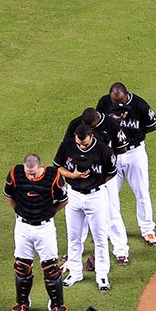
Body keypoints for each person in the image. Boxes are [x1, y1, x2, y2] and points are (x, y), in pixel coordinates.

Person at [61, 107, 132, 265]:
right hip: (80, 181)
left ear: (96, 121)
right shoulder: (75, 125)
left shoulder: (110, 124)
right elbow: (67, 148)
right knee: (80, 217)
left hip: (105, 177)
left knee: (112, 211)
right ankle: (74, 251)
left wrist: (102, 172)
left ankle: (121, 251)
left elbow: (122, 148)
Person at [3, 154, 69, 311]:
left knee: (51, 268)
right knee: (22, 267)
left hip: (44, 227)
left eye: (33, 173)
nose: (30, 176)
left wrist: (51, 212)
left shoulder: (53, 177)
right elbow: (9, 195)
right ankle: (22, 303)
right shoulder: (15, 173)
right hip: (23, 226)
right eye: (28, 173)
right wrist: (18, 211)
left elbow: (63, 200)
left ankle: (57, 306)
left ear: (39, 167)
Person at [54, 124, 118, 291]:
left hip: (95, 196)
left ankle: (102, 275)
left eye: (85, 144)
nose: (82, 146)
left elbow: (111, 172)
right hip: (73, 195)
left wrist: (95, 183)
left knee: (100, 237)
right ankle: (75, 272)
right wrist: (72, 175)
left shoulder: (103, 150)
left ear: (91, 136)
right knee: (73, 236)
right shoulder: (67, 145)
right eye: (79, 143)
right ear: (75, 136)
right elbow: (57, 167)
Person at [97, 82, 156, 245]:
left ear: (127, 94)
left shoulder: (140, 105)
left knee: (142, 191)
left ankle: (147, 229)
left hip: (134, 153)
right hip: (113, 154)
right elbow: (97, 125)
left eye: (119, 100)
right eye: (113, 100)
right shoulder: (104, 103)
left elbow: (153, 125)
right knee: (109, 194)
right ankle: (110, 229)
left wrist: (136, 135)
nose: (116, 104)